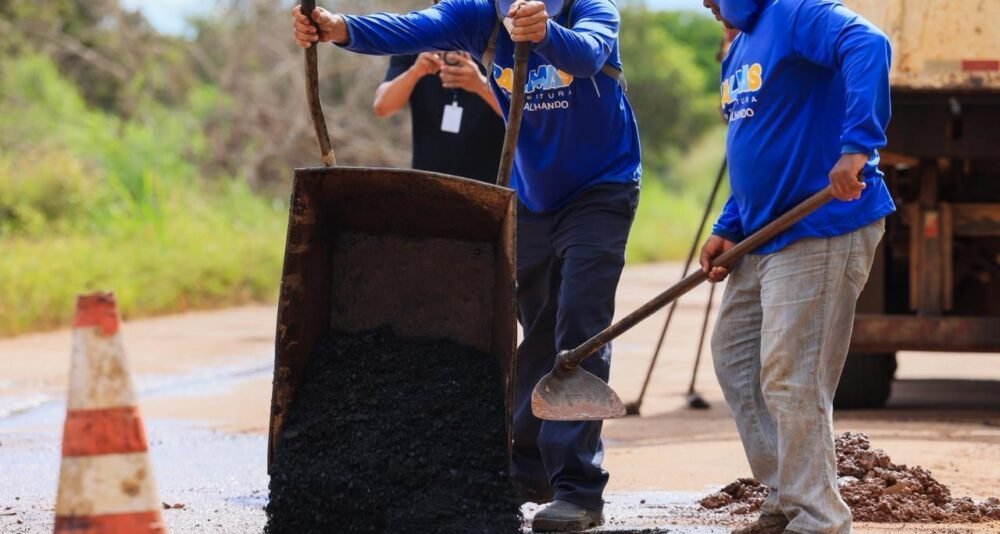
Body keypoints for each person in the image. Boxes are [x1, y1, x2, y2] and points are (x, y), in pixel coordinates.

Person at [293, 0, 641, 530]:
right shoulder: (479, 17)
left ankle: (578, 489)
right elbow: (411, 28)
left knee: (580, 327)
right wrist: (338, 28)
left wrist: (545, 32)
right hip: (534, 198)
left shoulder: (591, 8)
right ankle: (529, 466)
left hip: (602, 189)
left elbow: (589, 55)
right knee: (538, 331)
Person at [698, 1, 894, 533]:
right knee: (736, 357)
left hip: (820, 226)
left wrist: (857, 147)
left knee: (793, 375)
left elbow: (869, 44)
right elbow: (759, 143)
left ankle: (817, 517)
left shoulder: (795, 12)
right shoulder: (738, 46)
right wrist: (729, 224)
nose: (703, 2)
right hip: (763, 235)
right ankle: (786, 495)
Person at [373, 48, 505, 182]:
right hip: (426, 180)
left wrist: (480, 85)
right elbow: (382, 107)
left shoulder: (497, 46)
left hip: (489, 182)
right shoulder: (415, 44)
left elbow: (516, 115)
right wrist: (416, 72)